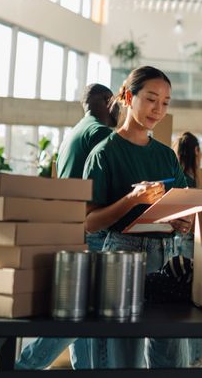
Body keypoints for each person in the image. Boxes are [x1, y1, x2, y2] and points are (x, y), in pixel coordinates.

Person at [83, 66, 191, 369]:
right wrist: (133, 199)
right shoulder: (104, 153)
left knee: (170, 357)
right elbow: (90, 222)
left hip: (166, 256)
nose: (158, 109)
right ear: (129, 97)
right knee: (122, 358)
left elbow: (181, 206)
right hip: (121, 258)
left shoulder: (166, 156)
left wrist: (183, 220)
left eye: (166, 103)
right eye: (151, 99)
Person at [15, 83, 118, 370]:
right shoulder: (100, 132)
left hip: (71, 228)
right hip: (93, 229)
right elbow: (108, 189)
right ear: (109, 102)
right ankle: (24, 367)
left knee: (79, 314)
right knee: (84, 314)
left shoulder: (72, 134)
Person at [172, 131, 202, 366]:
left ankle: (189, 359)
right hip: (188, 242)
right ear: (195, 151)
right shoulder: (190, 180)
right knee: (193, 302)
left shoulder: (177, 174)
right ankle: (193, 360)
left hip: (176, 241)